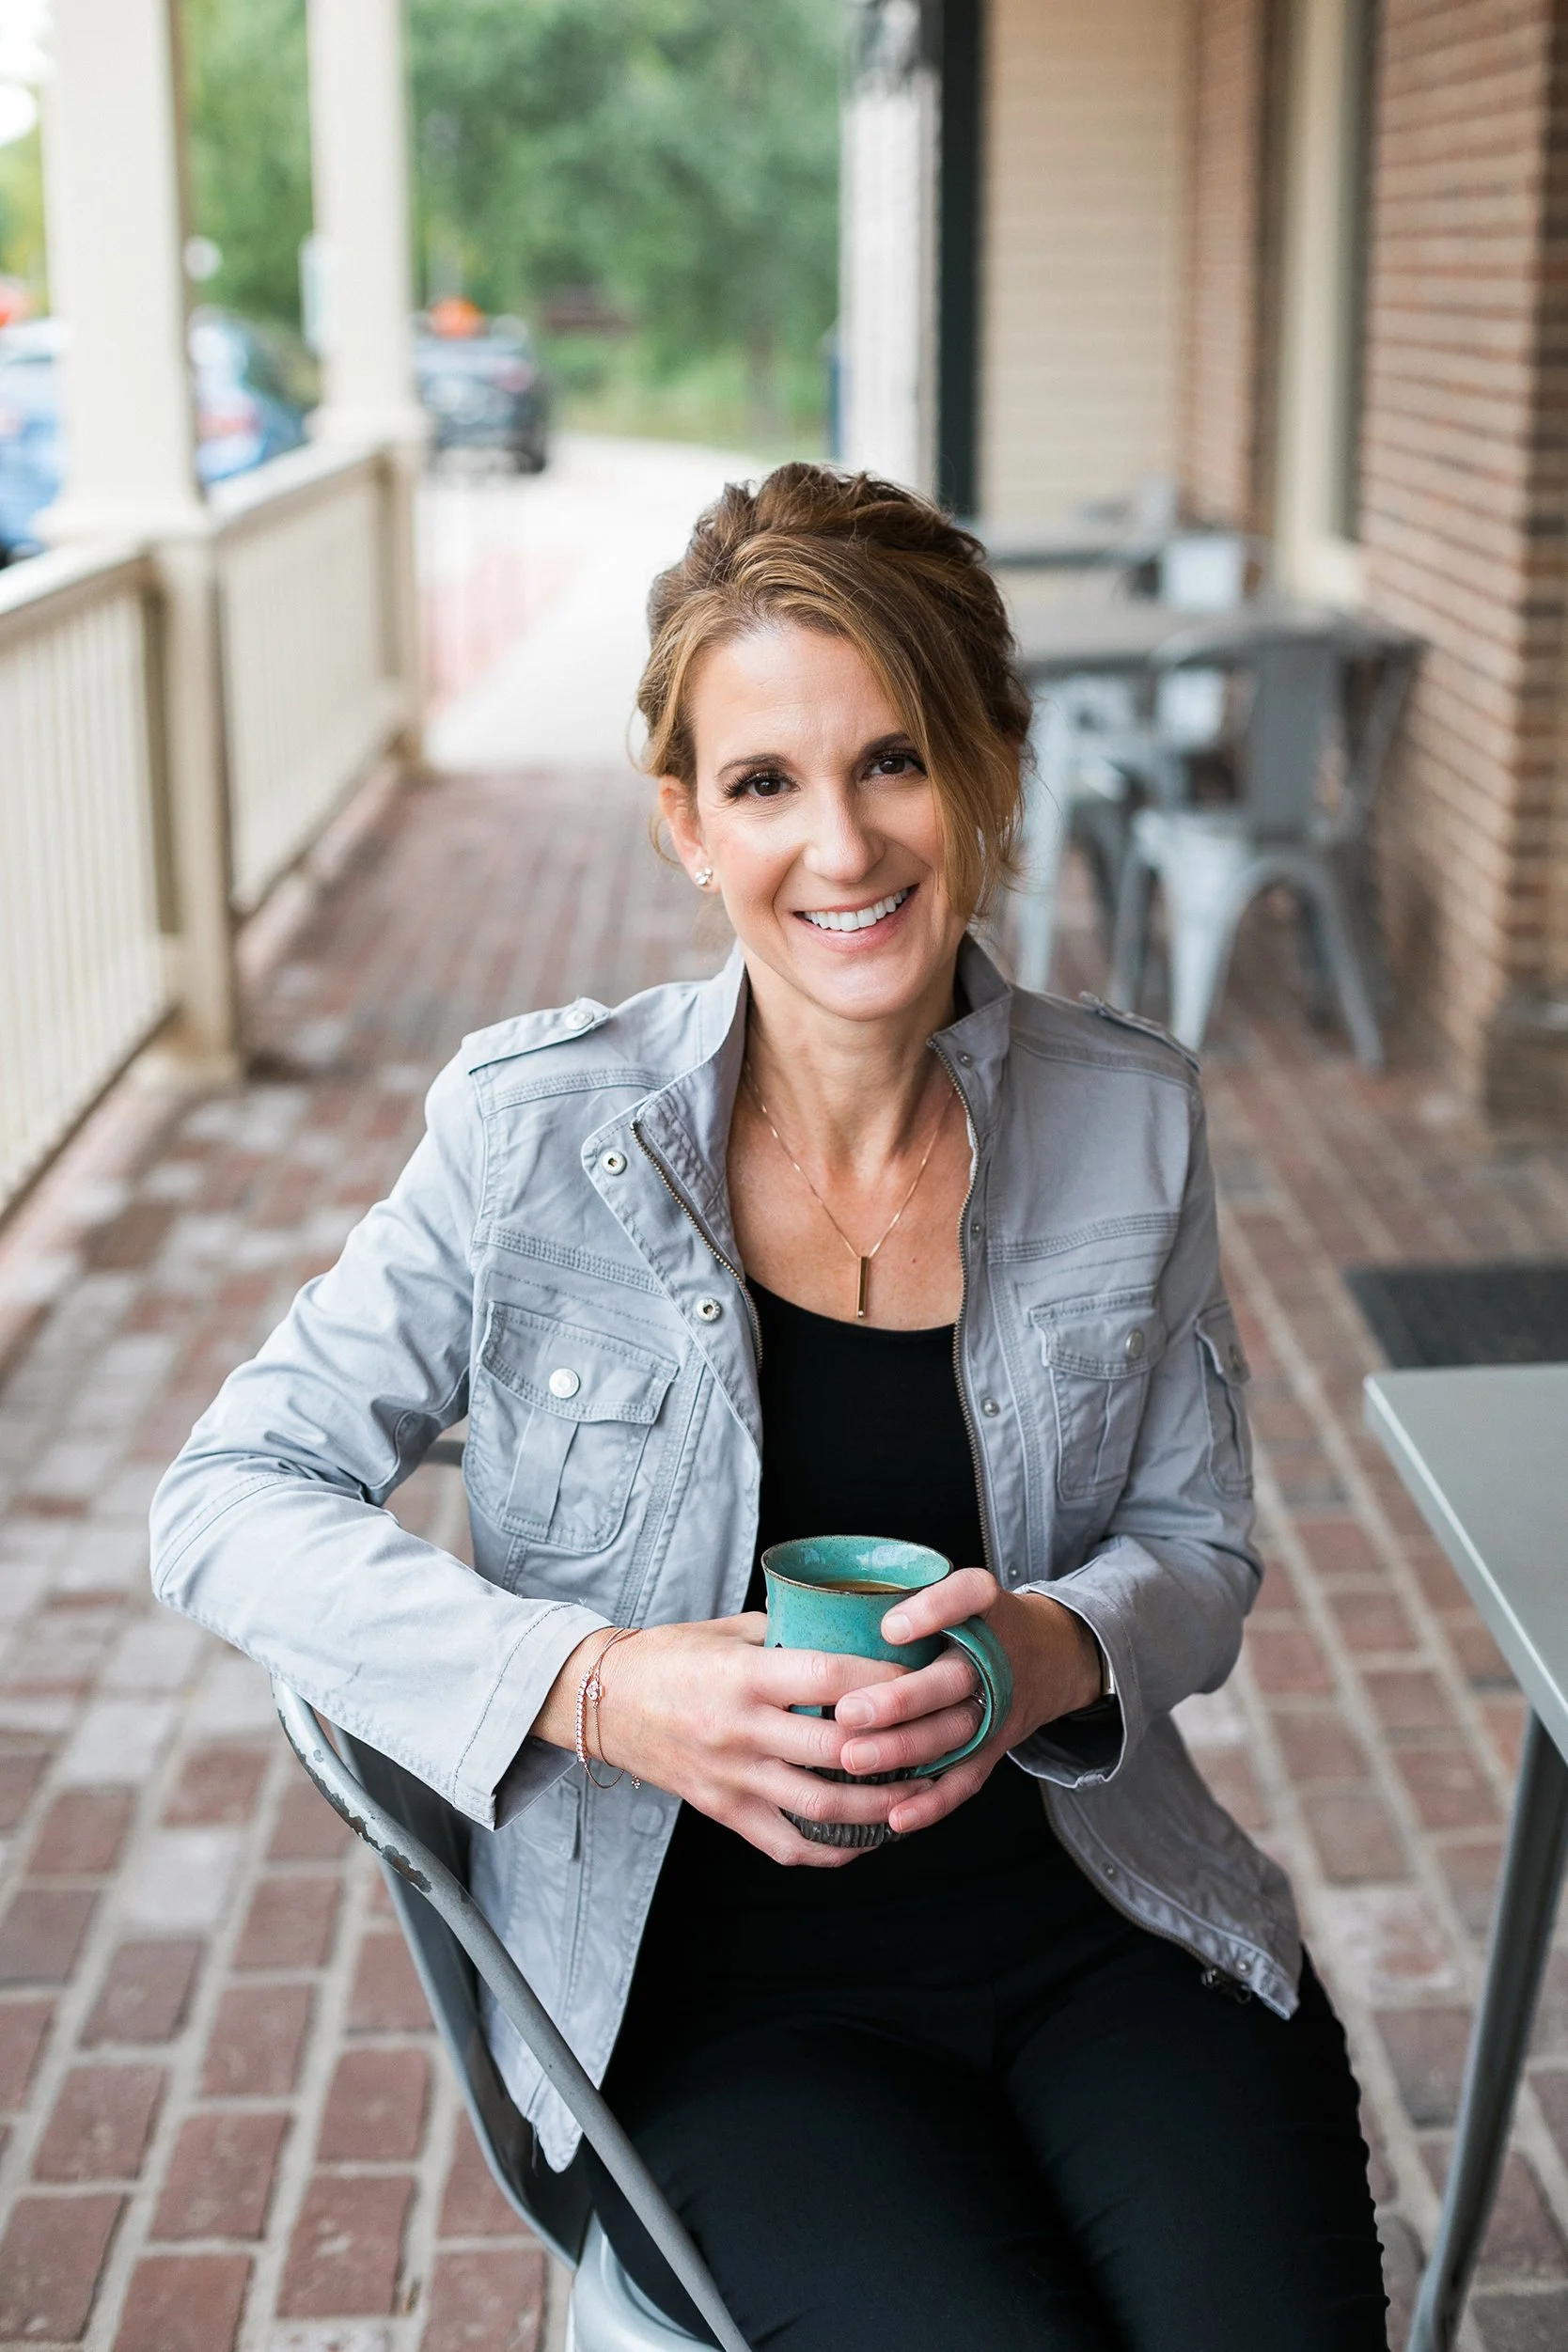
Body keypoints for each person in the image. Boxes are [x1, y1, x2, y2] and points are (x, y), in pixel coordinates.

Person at [150, 464, 1388, 2350]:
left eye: (895, 760)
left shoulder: (1132, 1116)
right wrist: (601, 1688)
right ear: (685, 825)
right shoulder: (534, 1134)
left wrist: (1051, 1653)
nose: (843, 848)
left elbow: (1200, 1551)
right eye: (765, 784)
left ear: (988, 769)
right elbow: (228, 1496)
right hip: (710, 1999)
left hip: (1099, 1922)